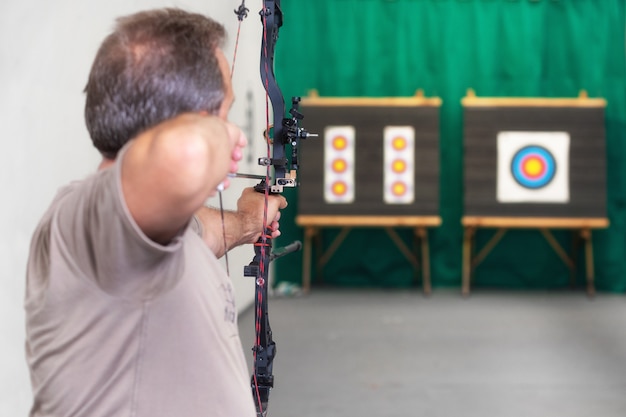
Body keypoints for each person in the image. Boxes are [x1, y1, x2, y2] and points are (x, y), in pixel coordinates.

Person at [24, 8, 287, 417]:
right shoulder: (88, 218)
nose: (227, 123)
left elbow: (204, 234)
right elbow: (184, 156)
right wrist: (217, 136)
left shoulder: (156, 231)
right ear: (191, 118)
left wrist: (250, 220)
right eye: (222, 109)